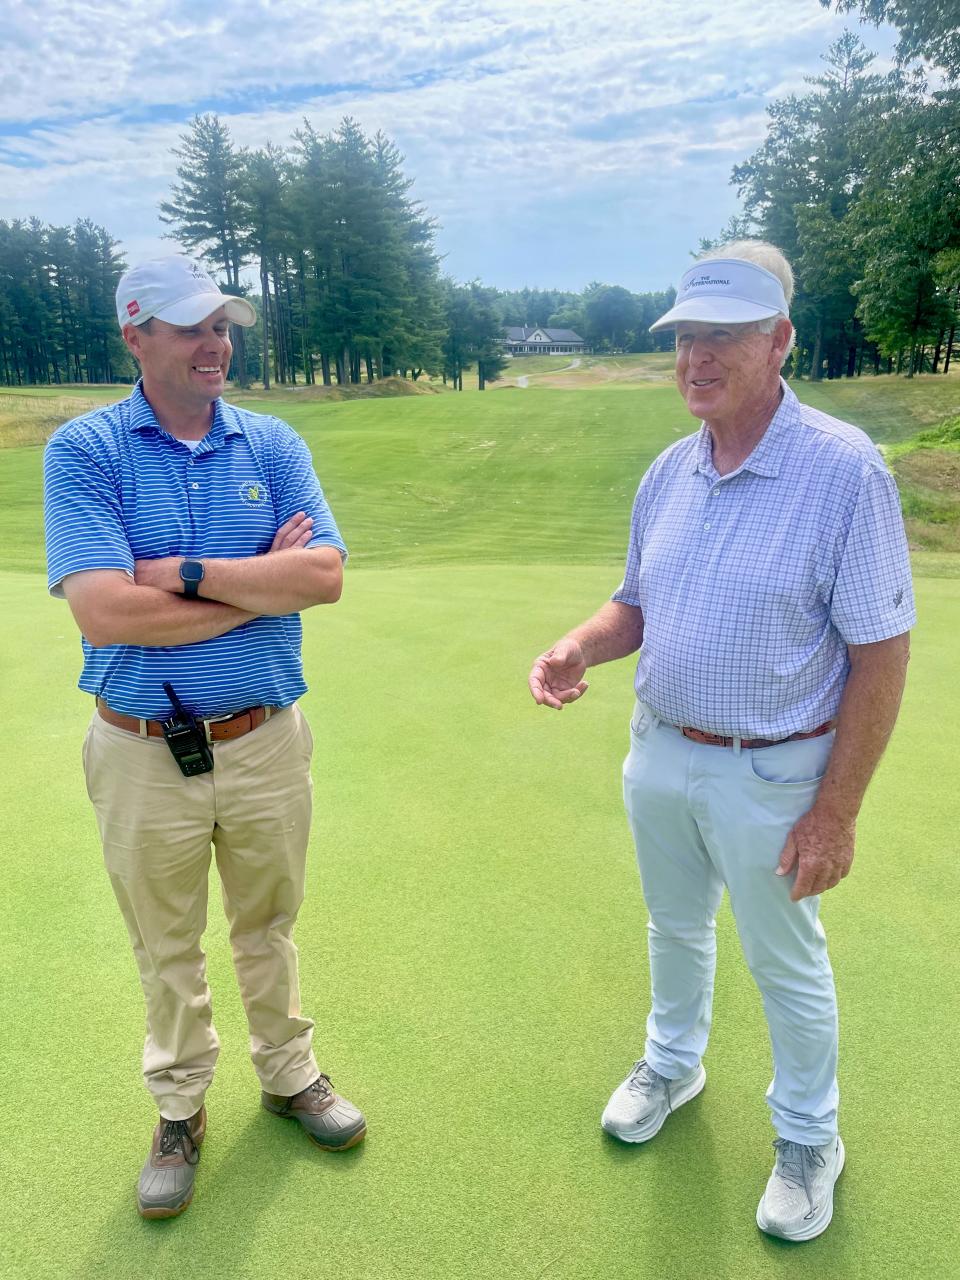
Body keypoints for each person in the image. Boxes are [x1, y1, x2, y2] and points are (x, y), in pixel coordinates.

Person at [528, 241, 914, 1242]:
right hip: (661, 750)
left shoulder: (843, 470)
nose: (697, 356)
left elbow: (882, 651)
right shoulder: (669, 470)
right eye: (685, 336)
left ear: (780, 339)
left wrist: (836, 809)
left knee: (785, 962)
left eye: (724, 335)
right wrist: (580, 644)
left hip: (778, 770)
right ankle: (672, 1062)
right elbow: (636, 606)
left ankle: (808, 1136)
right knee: (674, 927)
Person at [43, 254, 365, 1220]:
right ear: (135, 336)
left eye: (221, 325)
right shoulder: (87, 450)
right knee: (166, 942)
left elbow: (323, 577)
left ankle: (287, 1073)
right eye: (189, 327)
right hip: (141, 748)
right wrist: (248, 586)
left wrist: (177, 574)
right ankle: (179, 1109)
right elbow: (104, 613)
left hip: (266, 738)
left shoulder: (270, 443)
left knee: (268, 924)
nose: (214, 343)